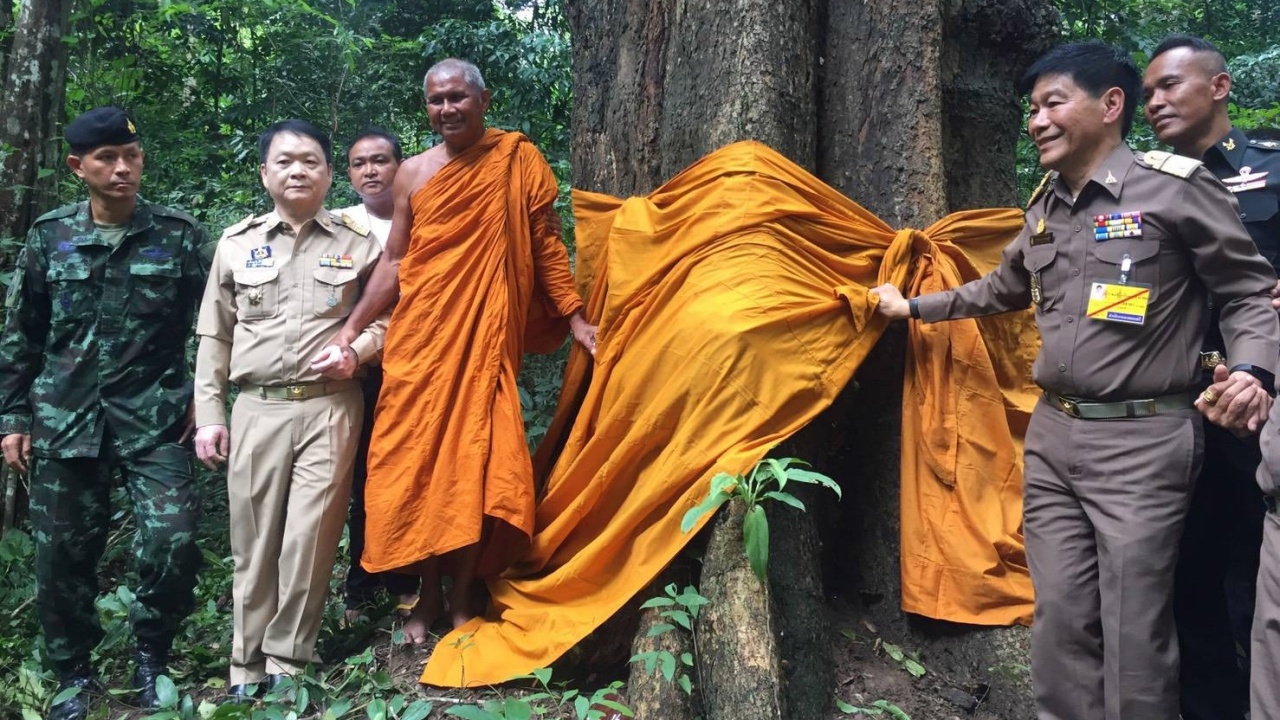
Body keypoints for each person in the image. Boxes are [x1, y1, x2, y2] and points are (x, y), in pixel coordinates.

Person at [870, 41, 1280, 720]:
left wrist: (1256, 369)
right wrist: (910, 307)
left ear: (1109, 106)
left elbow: (1243, 291)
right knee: (1059, 624)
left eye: (1053, 102)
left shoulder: (1173, 187)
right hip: (1054, 438)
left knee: (1134, 635)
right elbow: (1000, 289)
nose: (1036, 120)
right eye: (1032, 108)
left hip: (1145, 441)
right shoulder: (1046, 204)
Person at [319, 58, 596, 645]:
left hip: (483, 344)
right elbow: (395, 262)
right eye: (436, 100)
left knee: (477, 467)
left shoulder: (517, 159)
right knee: (412, 466)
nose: (447, 109)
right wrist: (351, 329)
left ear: (483, 99)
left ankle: (465, 595)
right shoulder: (412, 174)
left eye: (457, 98)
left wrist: (573, 313)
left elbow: (545, 242)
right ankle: (427, 596)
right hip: (420, 344)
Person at [0, 106, 209, 720]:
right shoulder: (50, 235)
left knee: (173, 541)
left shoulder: (177, 233)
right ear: (78, 167)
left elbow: (215, 325)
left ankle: (152, 654)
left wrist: (205, 390)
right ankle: (72, 671)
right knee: (61, 554)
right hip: (64, 419)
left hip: (156, 416)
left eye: (132, 157)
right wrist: (11, 416)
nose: (123, 169)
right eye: (107, 159)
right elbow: (21, 332)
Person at [192, 119, 388, 699]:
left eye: (310, 161)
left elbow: (387, 317)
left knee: (310, 540)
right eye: (284, 161)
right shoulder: (236, 243)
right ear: (264, 174)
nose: (297, 170)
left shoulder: (360, 244)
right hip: (257, 409)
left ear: (330, 174)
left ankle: (286, 665)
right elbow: (214, 336)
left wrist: (358, 350)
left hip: (331, 408)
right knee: (252, 543)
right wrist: (210, 415)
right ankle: (244, 665)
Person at [1142, 34, 1280, 720]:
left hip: (1260, 403)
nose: (1154, 102)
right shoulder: (1136, 180)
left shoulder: (1271, 164)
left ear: (1219, 87)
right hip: (1169, 404)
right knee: (1181, 568)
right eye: (1146, 95)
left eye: (1168, 86)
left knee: (1258, 570)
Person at [333, 128, 420, 623]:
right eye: (358, 163)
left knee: (411, 475)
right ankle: (361, 585)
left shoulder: (424, 216)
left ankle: (411, 578)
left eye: (380, 160)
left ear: (399, 166)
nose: (369, 170)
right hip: (362, 369)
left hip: (420, 368)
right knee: (365, 476)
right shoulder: (340, 226)